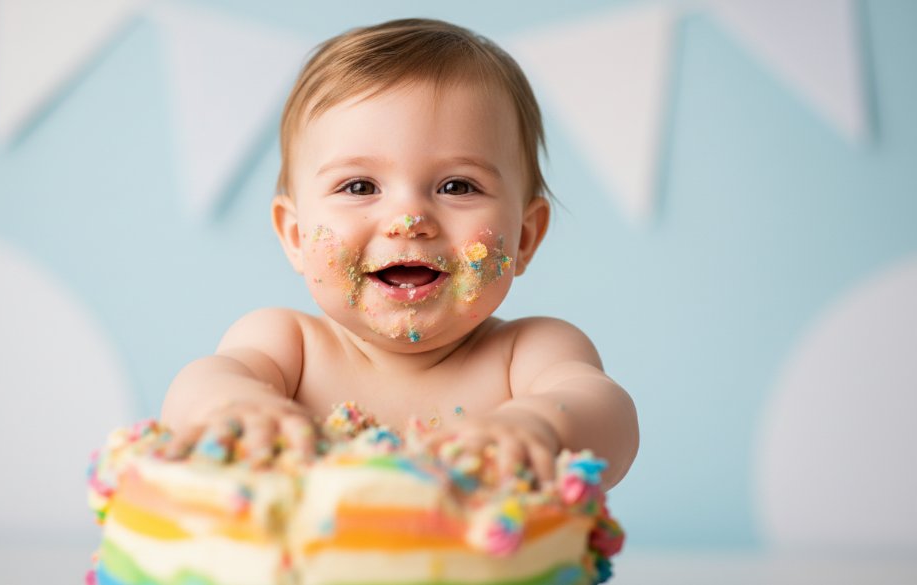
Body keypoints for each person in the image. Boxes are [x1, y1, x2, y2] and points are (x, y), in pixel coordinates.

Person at [161, 18, 638, 490]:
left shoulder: (528, 355)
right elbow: (202, 385)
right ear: (295, 236)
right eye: (360, 186)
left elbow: (605, 411)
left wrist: (541, 426)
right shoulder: (289, 346)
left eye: (456, 186)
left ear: (525, 238)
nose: (409, 218)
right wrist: (235, 406)